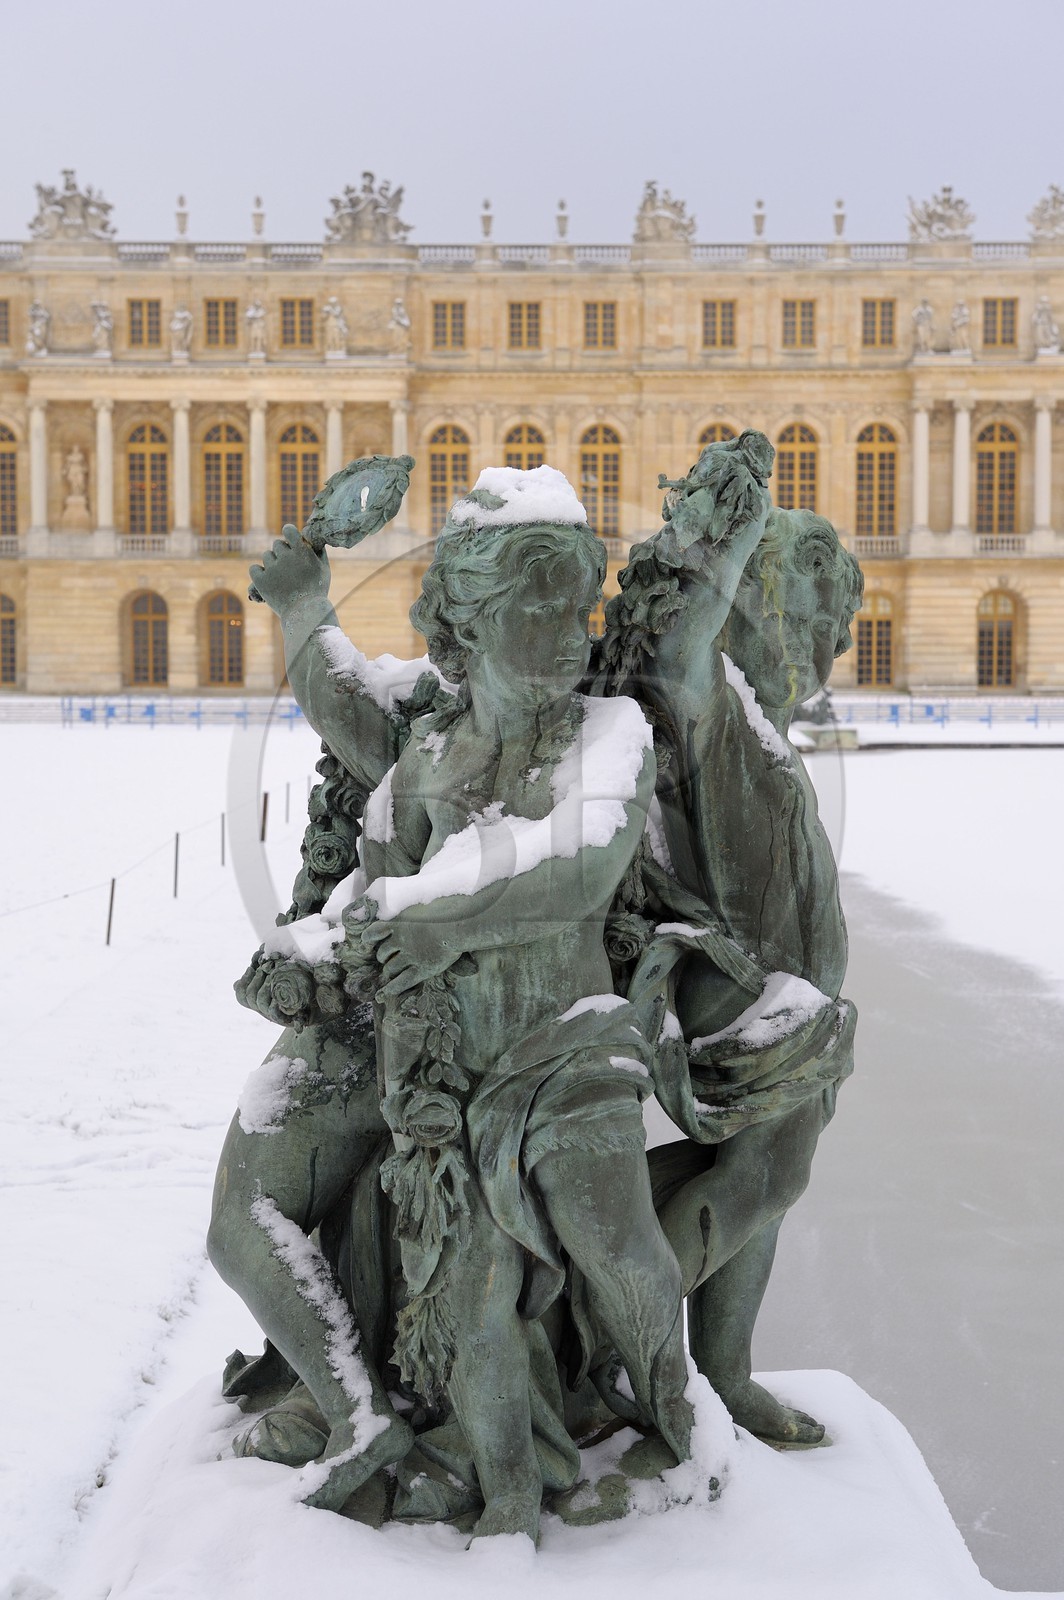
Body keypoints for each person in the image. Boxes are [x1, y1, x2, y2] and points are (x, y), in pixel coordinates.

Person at [349, 470, 696, 1542]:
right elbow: (370, 911)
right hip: (451, 1072)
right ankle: (505, 1505)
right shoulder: (419, 761)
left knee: (617, 1251)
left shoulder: (611, 731)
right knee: (471, 1298)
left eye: (576, 607)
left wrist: (430, 915)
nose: (563, 633)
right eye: (530, 605)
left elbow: (578, 872)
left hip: (571, 1049)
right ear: (464, 616)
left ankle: (679, 1427)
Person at [597, 432, 863, 1445]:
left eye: (824, 609)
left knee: (765, 1171)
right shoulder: (711, 705)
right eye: (798, 601)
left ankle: (714, 1364)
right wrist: (733, 535)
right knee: (769, 1172)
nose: (820, 628)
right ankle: (621, 1347)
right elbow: (674, 656)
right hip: (726, 990)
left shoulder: (758, 720)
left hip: (778, 990)